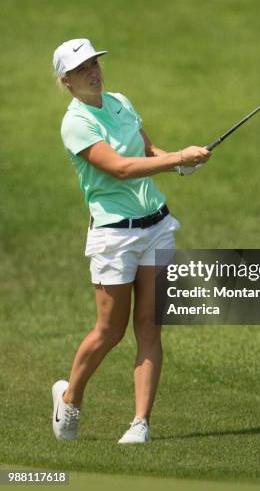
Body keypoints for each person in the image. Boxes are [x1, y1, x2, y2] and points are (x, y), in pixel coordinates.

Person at [51, 38, 210, 443]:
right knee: (110, 330)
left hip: (156, 225)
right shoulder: (76, 122)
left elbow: (147, 149)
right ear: (66, 80)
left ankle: (141, 423)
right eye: (82, 67)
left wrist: (179, 161)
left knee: (149, 326)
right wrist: (176, 159)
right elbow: (120, 168)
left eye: (95, 63)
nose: (93, 71)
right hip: (114, 236)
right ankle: (70, 398)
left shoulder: (120, 101)